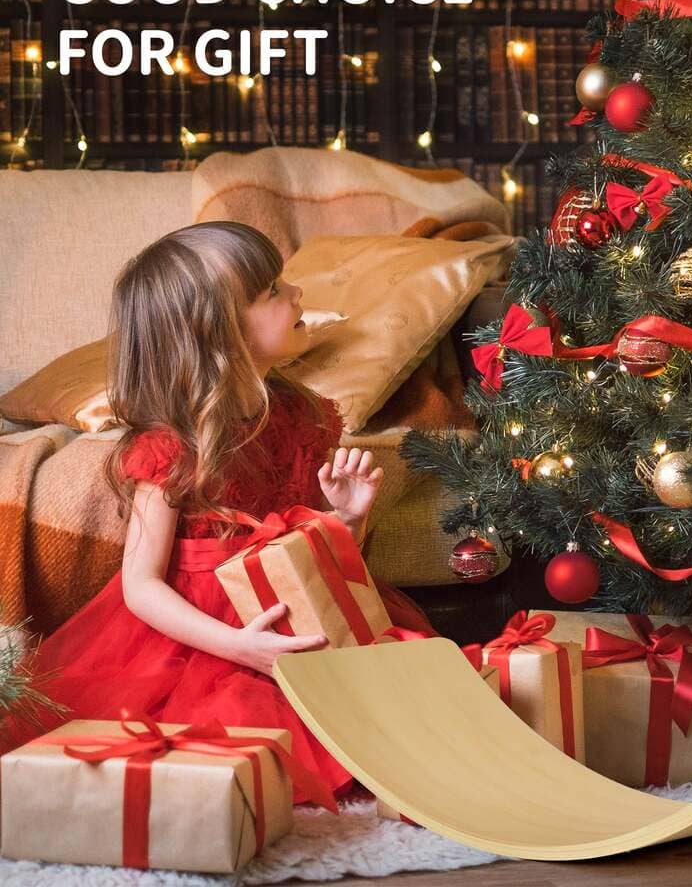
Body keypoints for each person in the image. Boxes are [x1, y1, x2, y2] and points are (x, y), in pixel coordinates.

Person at [7, 221, 439, 802]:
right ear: (219, 333)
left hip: (292, 610)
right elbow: (140, 586)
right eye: (272, 291)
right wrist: (238, 646)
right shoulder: (170, 447)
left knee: (399, 708)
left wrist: (346, 521)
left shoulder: (301, 414)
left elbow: (309, 558)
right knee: (246, 731)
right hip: (204, 634)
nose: (297, 295)